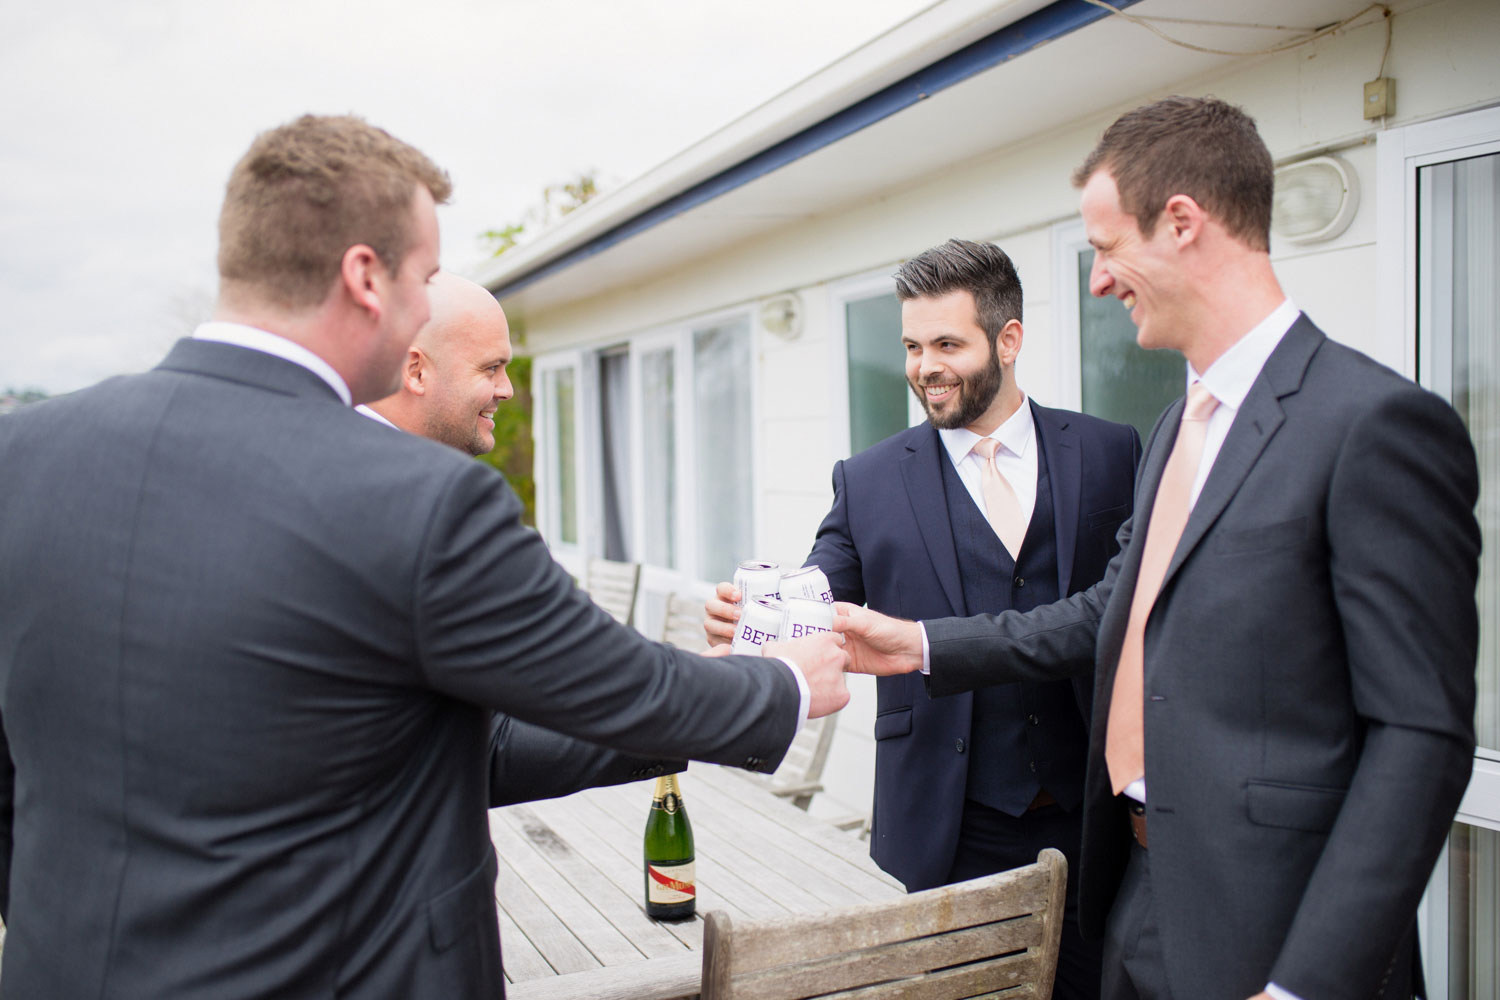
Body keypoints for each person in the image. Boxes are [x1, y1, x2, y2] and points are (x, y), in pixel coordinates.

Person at [0, 114, 849, 998]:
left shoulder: (21, 458)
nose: (424, 307)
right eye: (426, 275)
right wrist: (782, 681)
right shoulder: (418, 499)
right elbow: (625, 685)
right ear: (366, 276)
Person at [835, 96, 1480, 1000]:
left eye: (1105, 247)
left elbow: (1420, 736)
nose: (1098, 281)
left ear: (1182, 224)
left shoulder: (1375, 425)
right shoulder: (1182, 424)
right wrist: (921, 644)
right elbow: (1111, 613)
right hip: (1133, 895)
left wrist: (1305, 984)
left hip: (1270, 930)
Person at [707, 238, 1140, 1000]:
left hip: (1088, 812)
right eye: (911, 346)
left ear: (1008, 339)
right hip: (949, 817)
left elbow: (1127, 614)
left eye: (947, 343)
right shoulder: (870, 479)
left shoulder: (1109, 452)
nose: (922, 366)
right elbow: (817, 598)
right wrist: (751, 624)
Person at [363, 270, 686, 802]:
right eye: (491, 367)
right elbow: (488, 748)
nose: (507, 389)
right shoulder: (418, 510)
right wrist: (739, 695)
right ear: (416, 369)